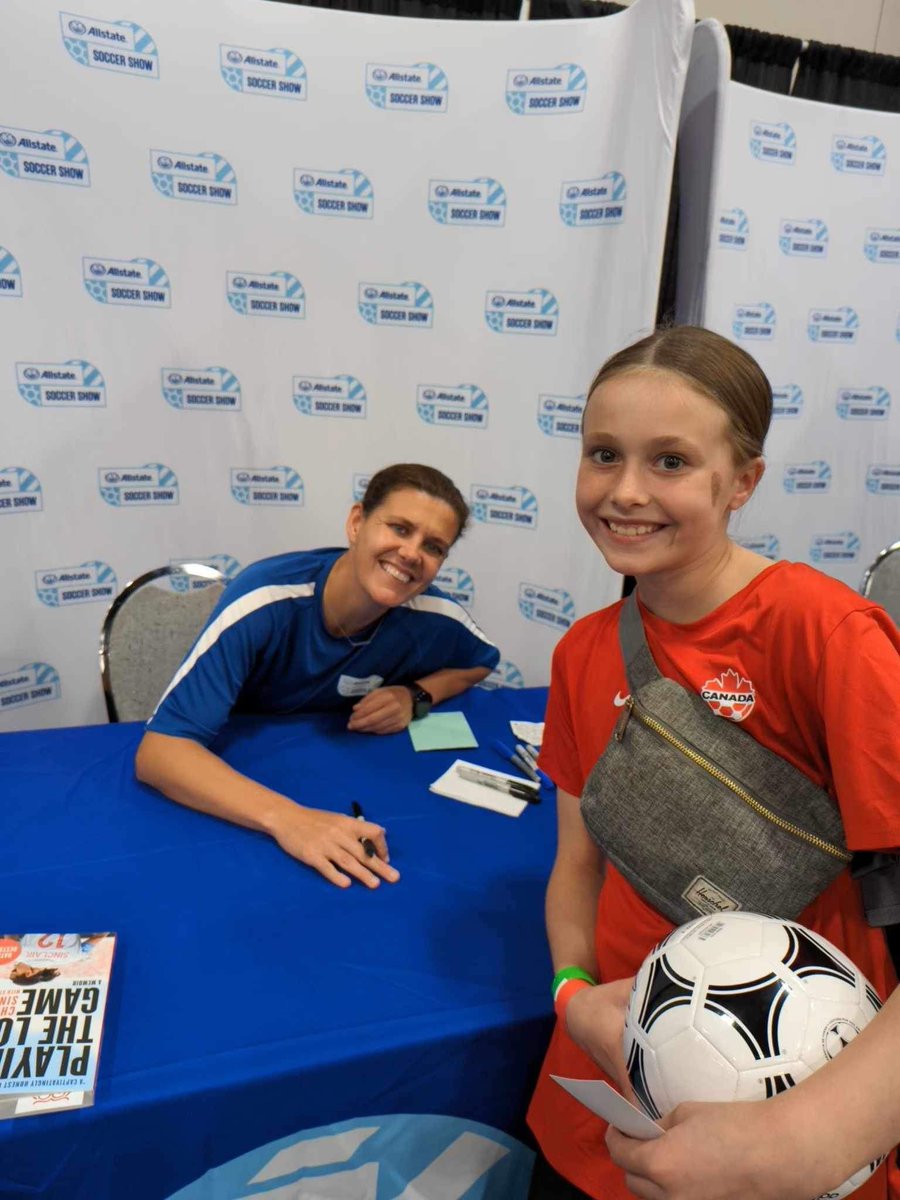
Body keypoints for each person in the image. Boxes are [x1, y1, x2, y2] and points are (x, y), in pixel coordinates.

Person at [525, 326, 900, 1200]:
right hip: (604, 1096)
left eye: (670, 463)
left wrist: (810, 1136)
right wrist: (574, 995)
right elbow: (577, 866)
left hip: (799, 1098)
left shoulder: (827, 635)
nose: (624, 492)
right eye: (603, 454)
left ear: (743, 483)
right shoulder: (584, 651)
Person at [135, 463, 499, 889]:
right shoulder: (263, 599)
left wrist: (415, 696)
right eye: (399, 528)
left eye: (434, 547)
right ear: (357, 522)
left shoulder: (433, 613)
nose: (412, 553)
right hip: (232, 786)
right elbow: (159, 752)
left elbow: (480, 663)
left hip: (333, 766)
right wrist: (290, 820)